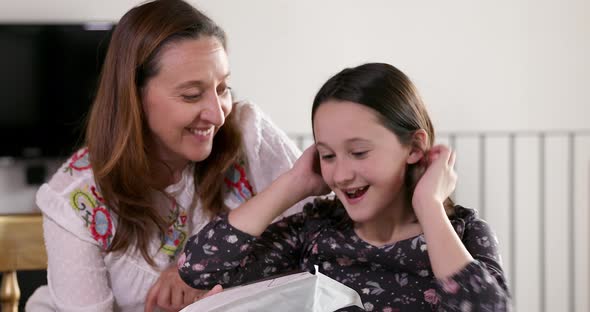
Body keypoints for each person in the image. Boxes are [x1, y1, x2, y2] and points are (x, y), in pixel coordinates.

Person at [25, 0, 308, 311]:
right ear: (134, 97)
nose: (217, 114)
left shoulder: (247, 132)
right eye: (191, 95)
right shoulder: (75, 201)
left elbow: (327, 236)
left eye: (223, 87)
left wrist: (198, 267)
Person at [178, 63, 512, 311]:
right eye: (327, 155)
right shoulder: (314, 231)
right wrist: (293, 184)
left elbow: (488, 307)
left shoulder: (463, 232)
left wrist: (429, 205)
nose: (341, 174)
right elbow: (199, 268)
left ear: (413, 148)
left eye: (359, 152)